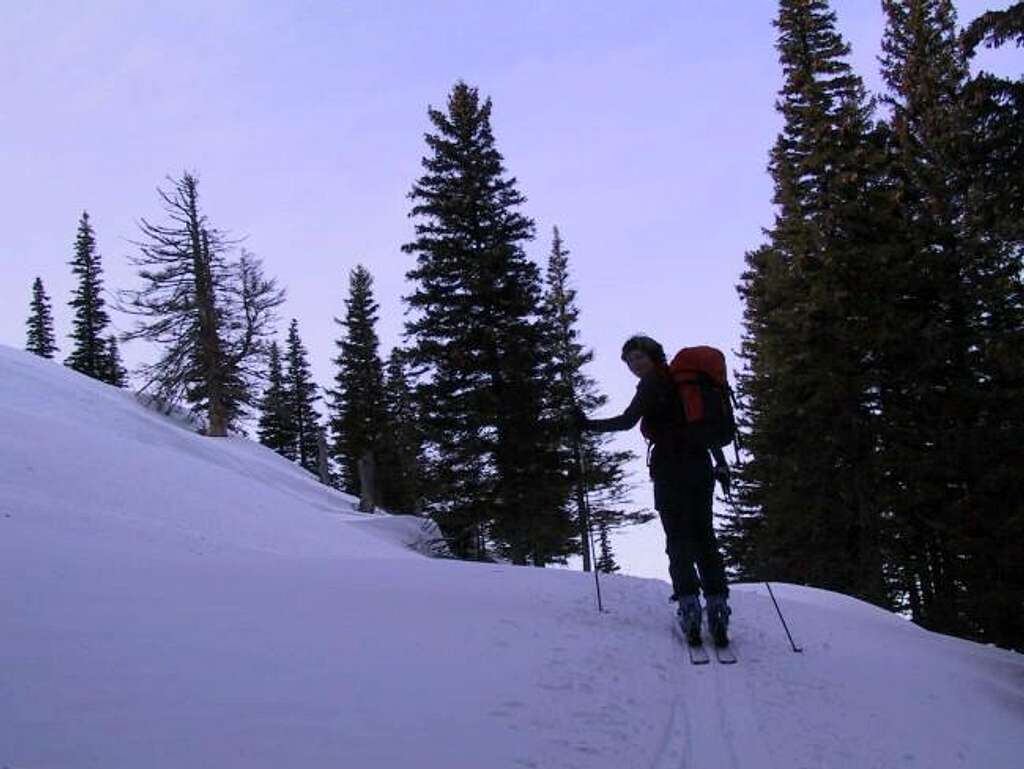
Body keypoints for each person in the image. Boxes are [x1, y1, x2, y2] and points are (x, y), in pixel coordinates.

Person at [574, 334, 732, 646]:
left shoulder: (654, 382)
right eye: (630, 361)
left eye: (638, 358)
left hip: (669, 469)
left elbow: (627, 421)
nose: (635, 364)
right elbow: (702, 428)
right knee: (704, 535)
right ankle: (717, 607)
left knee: (678, 539)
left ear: (653, 356)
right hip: (699, 465)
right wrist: (721, 463)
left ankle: (689, 609)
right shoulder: (684, 382)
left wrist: (586, 425)